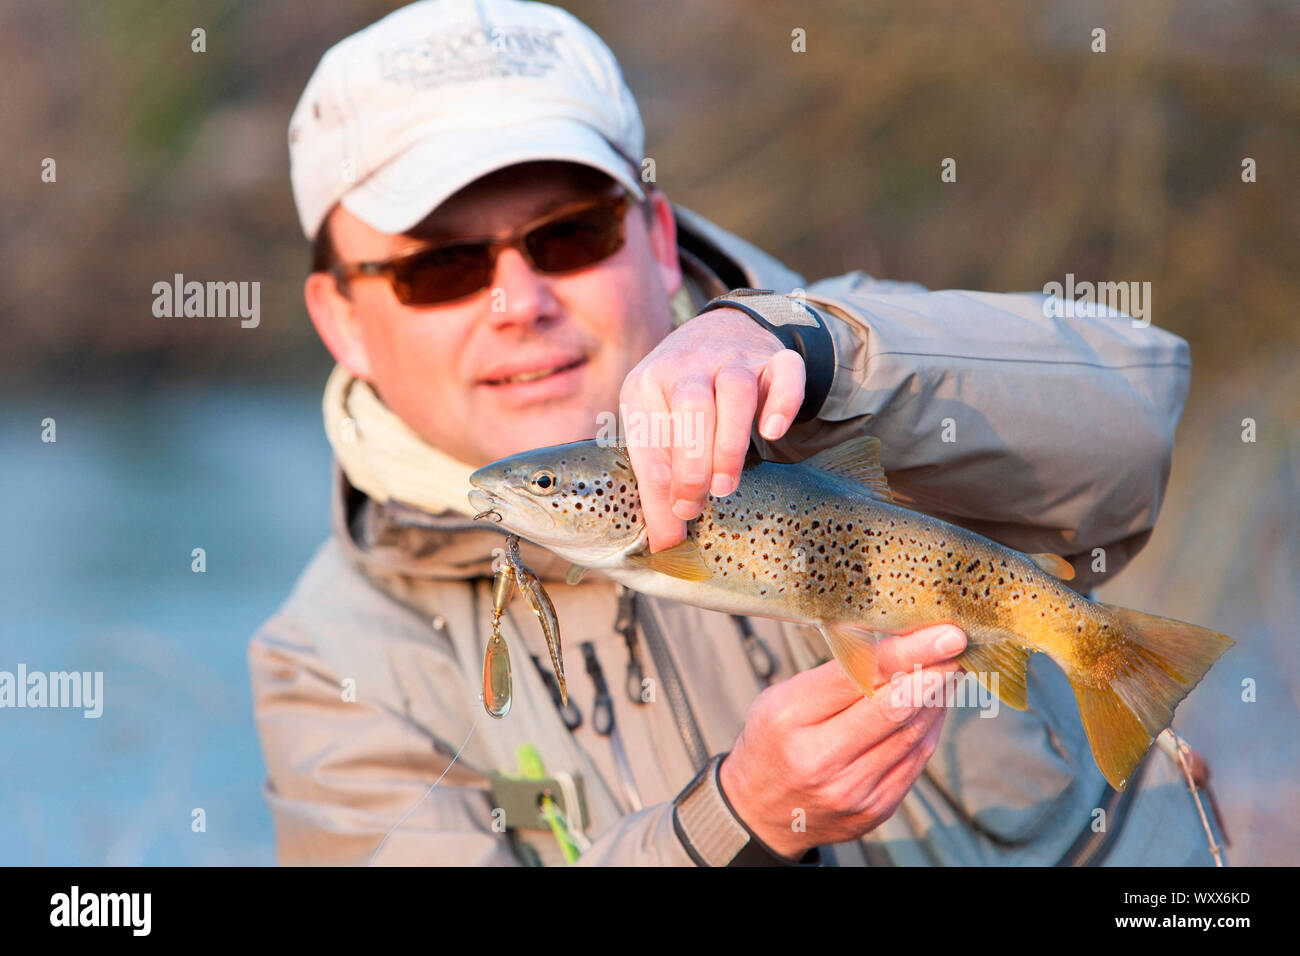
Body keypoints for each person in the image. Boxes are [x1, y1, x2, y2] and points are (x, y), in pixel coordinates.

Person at [249, 0, 1225, 866]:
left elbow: (1135, 414)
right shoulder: (322, 667)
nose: (518, 301)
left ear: (658, 235)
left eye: (568, 236)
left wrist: (818, 355)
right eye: (443, 266)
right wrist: (734, 821)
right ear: (338, 320)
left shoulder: (854, 370)